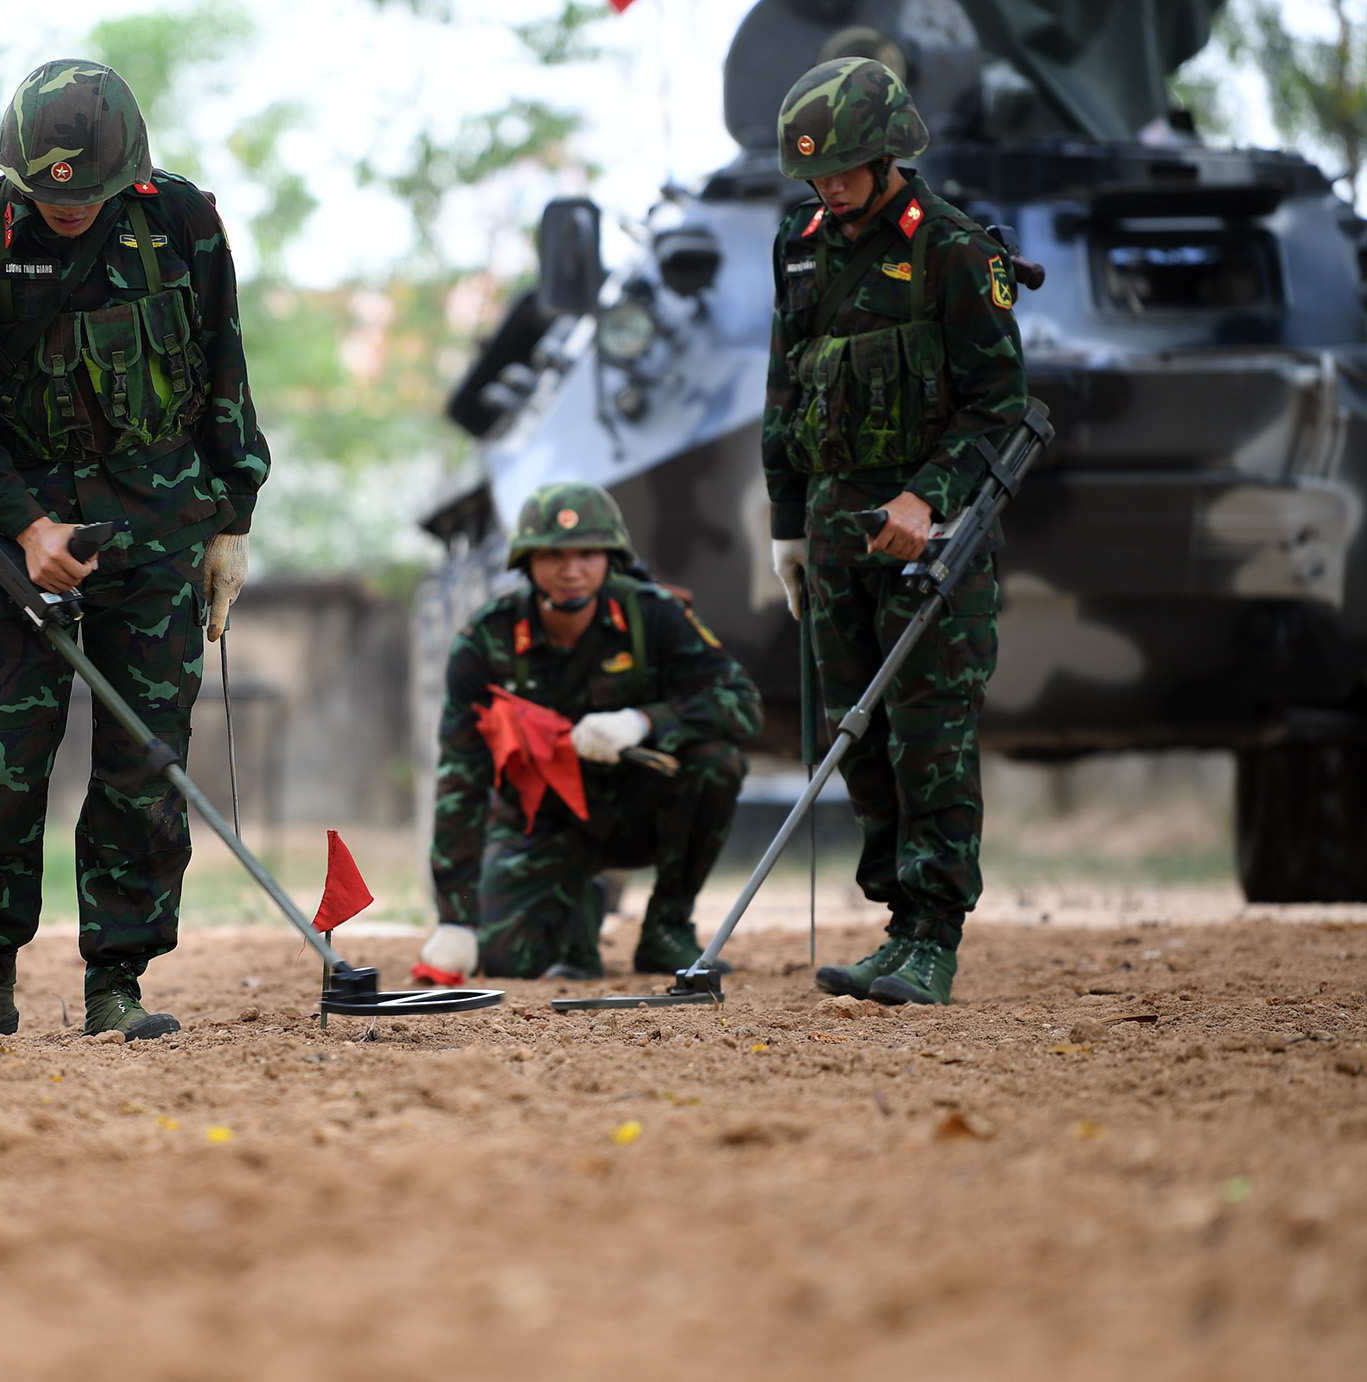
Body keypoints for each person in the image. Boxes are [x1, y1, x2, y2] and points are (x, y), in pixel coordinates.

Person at [0, 60, 268, 1042]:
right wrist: (25, 529)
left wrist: (232, 515)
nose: (64, 208)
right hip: (17, 540)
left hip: (154, 539)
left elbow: (223, 365)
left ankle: (119, 980)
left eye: (85, 195)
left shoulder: (183, 225)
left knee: (143, 771)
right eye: (45, 193)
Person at [762, 57, 1026, 1005]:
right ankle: (893, 922)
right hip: (836, 528)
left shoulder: (955, 250)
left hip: (931, 532)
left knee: (929, 732)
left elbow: (1001, 408)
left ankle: (933, 933)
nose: (829, 190)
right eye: (815, 177)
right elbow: (785, 384)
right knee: (855, 738)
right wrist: (787, 523)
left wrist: (929, 498)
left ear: (888, 156)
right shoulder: (800, 242)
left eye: (843, 170)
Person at [421, 482, 763, 981]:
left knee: (716, 763)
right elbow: (460, 779)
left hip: (640, 810)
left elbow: (742, 706)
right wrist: (455, 917)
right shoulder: (487, 640)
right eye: (554, 555)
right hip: (544, 822)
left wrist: (644, 721)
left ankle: (668, 926)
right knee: (502, 961)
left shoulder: (653, 615)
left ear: (611, 558)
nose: (572, 571)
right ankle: (578, 910)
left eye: (589, 553)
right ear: (527, 562)